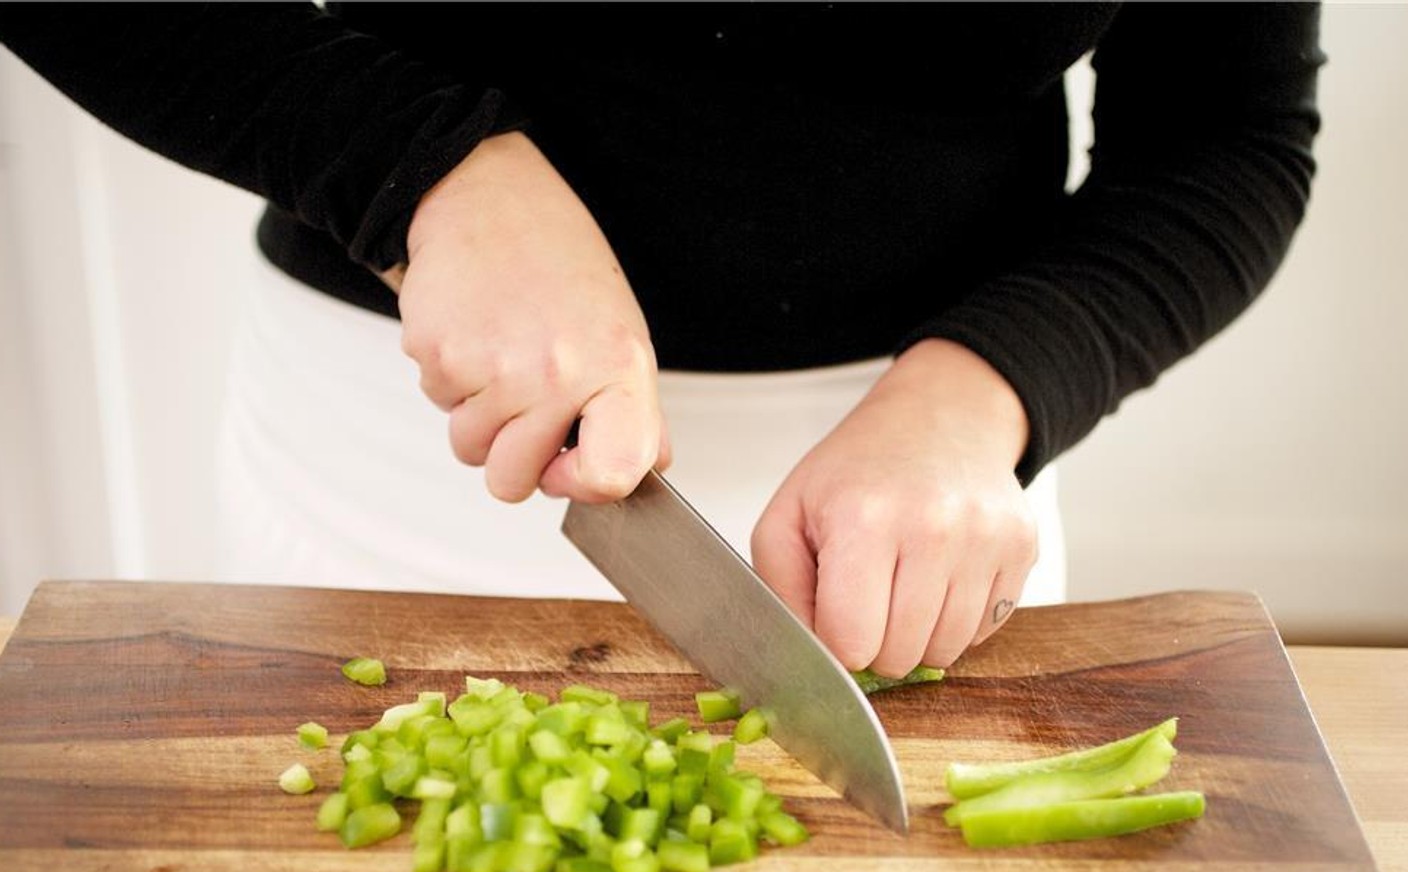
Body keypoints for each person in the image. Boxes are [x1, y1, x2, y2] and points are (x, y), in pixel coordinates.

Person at [0, 3, 1324, 678]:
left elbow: (1229, 132)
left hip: (931, 495)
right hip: (401, 447)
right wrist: (418, 172)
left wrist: (990, 393)